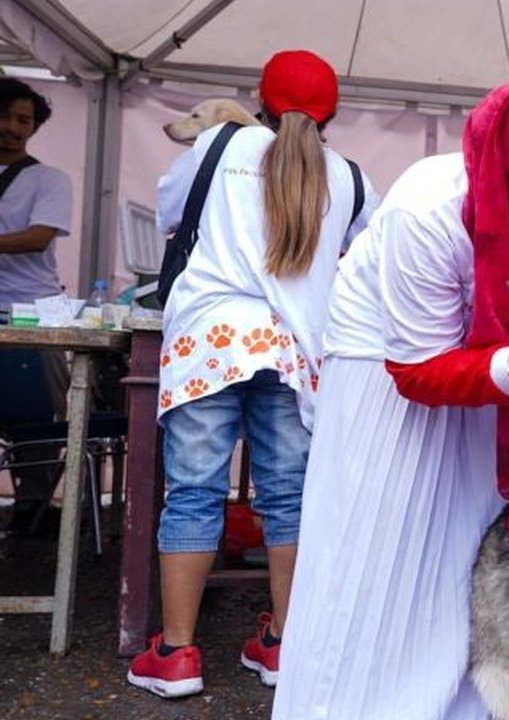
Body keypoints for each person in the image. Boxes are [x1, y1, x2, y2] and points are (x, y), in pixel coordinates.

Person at [272, 76, 509, 720]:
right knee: (376, 557)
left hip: (492, 400)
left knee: (475, 563)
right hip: (385, 376)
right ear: (508, 172)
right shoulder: (428, 210)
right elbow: (417, 371)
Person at [126, 49, 379, 698]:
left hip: (210, 341)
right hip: (294, 351)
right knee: (290, 498)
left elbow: (171, 218)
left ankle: (176, 654)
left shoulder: (218, 145)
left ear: (258, 98)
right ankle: (283, 644)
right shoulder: (350, 178)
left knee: (194, 492)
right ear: (334, 114)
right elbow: (362, 261)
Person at [0, 77, 74, 533]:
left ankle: (36, 505)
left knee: (42, 414)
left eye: (23, 120)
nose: (11, 127)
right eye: (5, 115)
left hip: (35, 312)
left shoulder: (50, 179)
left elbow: (39, 236)